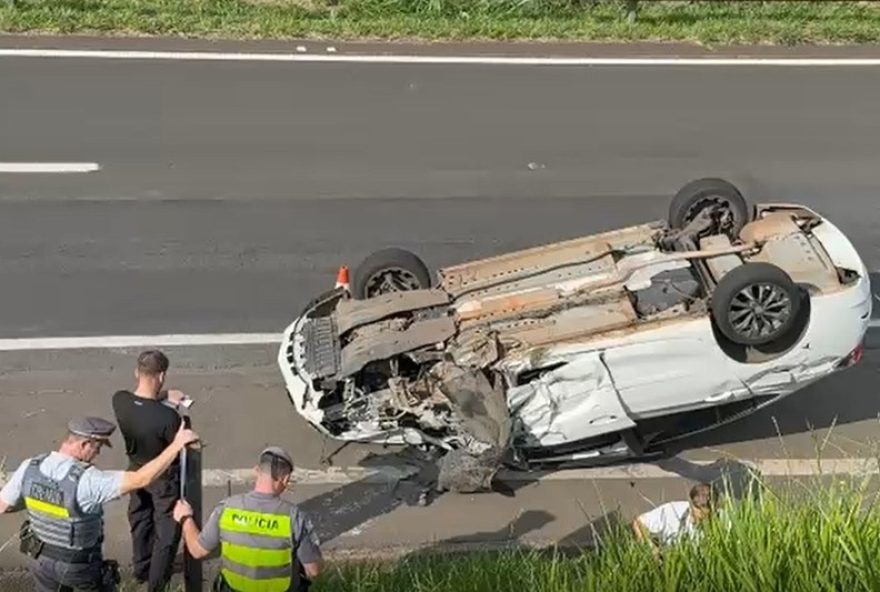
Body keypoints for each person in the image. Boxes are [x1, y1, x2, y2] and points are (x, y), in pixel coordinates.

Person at [0, 416, 200, 592]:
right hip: (77, 566)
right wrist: (176, 445)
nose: (97, 454)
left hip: (40, 559)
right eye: (97, 448)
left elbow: (4, 506)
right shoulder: (88, 480)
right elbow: (140, 479)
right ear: (84, 444)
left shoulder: (30, 467)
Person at [173, 446, 323, 591]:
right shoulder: (294, 517)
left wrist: (186, 518)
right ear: (285, 479)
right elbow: (313, 570)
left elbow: (197, 550)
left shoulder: (227, 508)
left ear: (256, 471)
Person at [111, 349, 191, 592]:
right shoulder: (168, 417)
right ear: (162, 375)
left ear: (137, 372)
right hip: (163, 477)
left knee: (140, 520)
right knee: (166, 532)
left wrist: (164, 395)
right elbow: (179, 442)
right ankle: (157, 584)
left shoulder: (120, 401)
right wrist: (175, 406)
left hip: (136, 470)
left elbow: (142, 403)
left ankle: (141, 568)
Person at [631, 482, 713, 557]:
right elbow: (637, 522)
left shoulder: (715, 524)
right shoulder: (673, 510)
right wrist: (651, 549)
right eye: (696, 508)